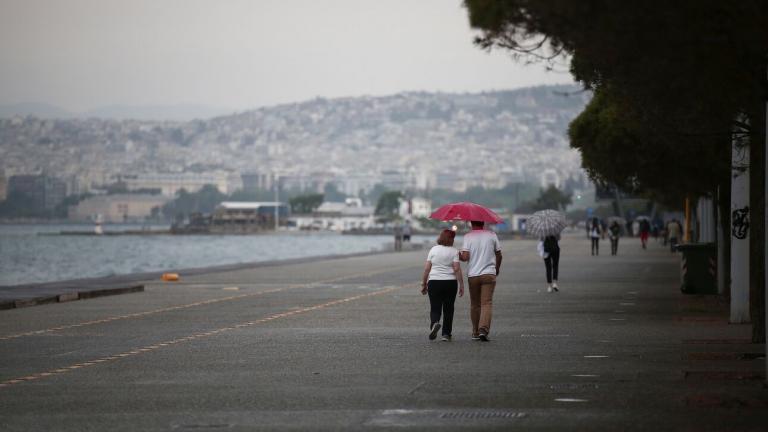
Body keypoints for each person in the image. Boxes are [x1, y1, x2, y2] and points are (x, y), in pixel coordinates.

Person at [459, 220, 502, 342]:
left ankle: (475, 332)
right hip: (489, 274)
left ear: (471, 223)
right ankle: (483, 329)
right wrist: (497, 268)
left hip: (473, 275)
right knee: (486, 303)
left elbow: (465, 257)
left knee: (475, 304)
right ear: (483, 223)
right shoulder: (492, 235)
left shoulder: (468, 236)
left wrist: (458, 255)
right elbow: (499, 255)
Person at [421, 229, 464, 341]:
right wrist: (461, 284)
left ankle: (435, 323)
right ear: (451, 239)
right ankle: (446, 334)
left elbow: (427, 269)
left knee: (435, 307)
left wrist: (424, 283)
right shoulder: (454, 251)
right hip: (450, 283)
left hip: (434, 282)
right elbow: (457, 269)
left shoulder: (433, 249)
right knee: (449, 308)